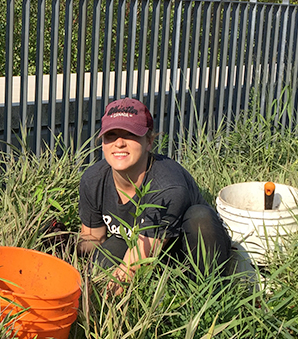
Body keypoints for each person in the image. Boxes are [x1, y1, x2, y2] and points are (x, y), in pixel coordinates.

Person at [77, 98, 232, 296]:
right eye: (111, 135)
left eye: (130, 135)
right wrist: (67, 247)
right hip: (136, 240)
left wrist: (96, 302)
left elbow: (135, 265)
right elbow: (94, 237)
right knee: (100, 264)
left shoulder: (167, 186)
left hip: (185, 251)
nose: (119, 143)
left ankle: (209, 294)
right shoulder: (93, 179)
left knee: (200, 217)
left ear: (149, 141)